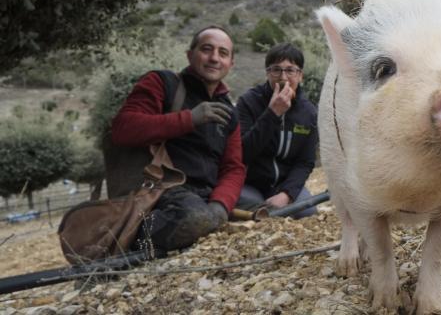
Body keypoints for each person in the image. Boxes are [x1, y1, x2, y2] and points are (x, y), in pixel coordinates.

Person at [110, 25, 246, 251]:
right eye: (206, 49)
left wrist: (220, 205)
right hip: (162, 192)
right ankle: (130, 240)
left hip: (207, 198)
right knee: (195, 218)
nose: (214, 58)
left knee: (262, 212)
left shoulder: (229, 111)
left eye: (223, 53)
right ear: (189, 55)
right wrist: (188, 119)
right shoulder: (162, 83)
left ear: (230, 64)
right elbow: (123, 128)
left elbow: (234, 168)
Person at [235, 43, 318, 219]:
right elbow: (242, 153)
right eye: (276, 70)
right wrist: (273, 113)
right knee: (248, 209)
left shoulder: (308, 112)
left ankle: (276, 207)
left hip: (285, 185)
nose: (283, 77)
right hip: (250, 184)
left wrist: (286, 194)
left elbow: (305, 162)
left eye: (290, 70)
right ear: (267, 73)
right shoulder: (248, 102)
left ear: (300, 75)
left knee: (308, 212)